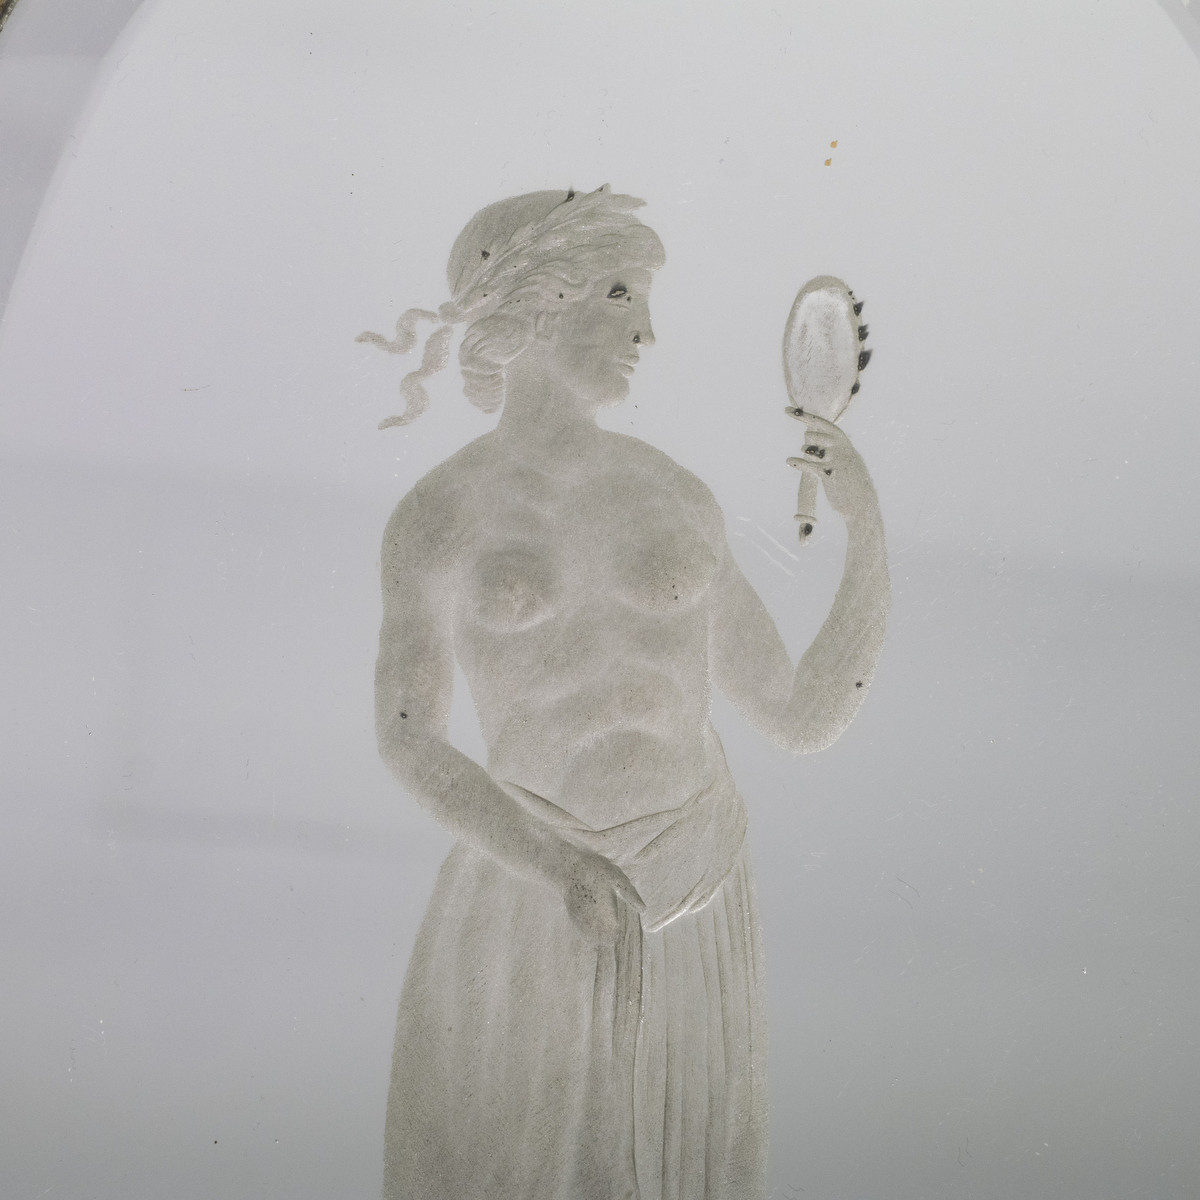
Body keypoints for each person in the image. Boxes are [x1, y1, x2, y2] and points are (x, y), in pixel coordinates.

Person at [362, 186, 889, 1200]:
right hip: (531, 893)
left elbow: (801, 714)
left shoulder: (674, 496)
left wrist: (866, 533)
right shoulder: (436, 517)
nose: (647, 332)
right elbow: (407, 735)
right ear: (537, 302)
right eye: (619, 295)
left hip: (691, 887)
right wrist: (554, 863)